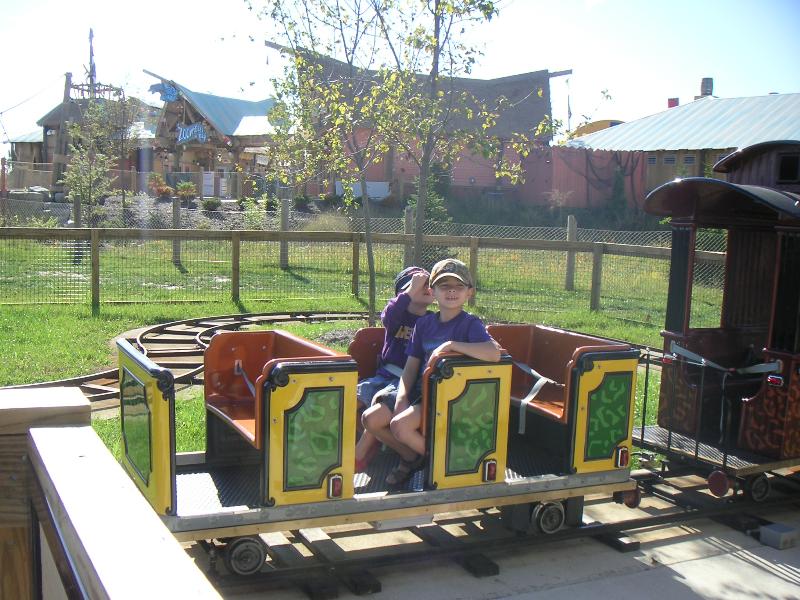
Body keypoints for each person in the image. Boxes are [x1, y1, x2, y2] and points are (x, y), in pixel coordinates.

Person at [378, 258, 501, 486]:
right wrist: (402, 398)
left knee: (400, 425)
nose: (451, 291)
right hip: (427, 395)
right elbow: (411, 367)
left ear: (469, 293)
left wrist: (452, 345)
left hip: (457, 401)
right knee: (395, 424)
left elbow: (493, 353)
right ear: (433, 292)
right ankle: (432, 459)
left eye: (458, 286)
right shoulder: (424, 325)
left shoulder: (470, 324)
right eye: (444, 286)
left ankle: (446, 462)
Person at [354, 266, 434, 471]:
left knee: (373, 417)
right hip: (383, 377)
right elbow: (389, 314)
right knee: (344, 404)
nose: (425, 288)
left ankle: (365, 450)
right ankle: (372, 441)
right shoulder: (396, 316)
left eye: (429, 284)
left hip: (405, 383)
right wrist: (410, 290)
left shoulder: (432, 322)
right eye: (418, 285)